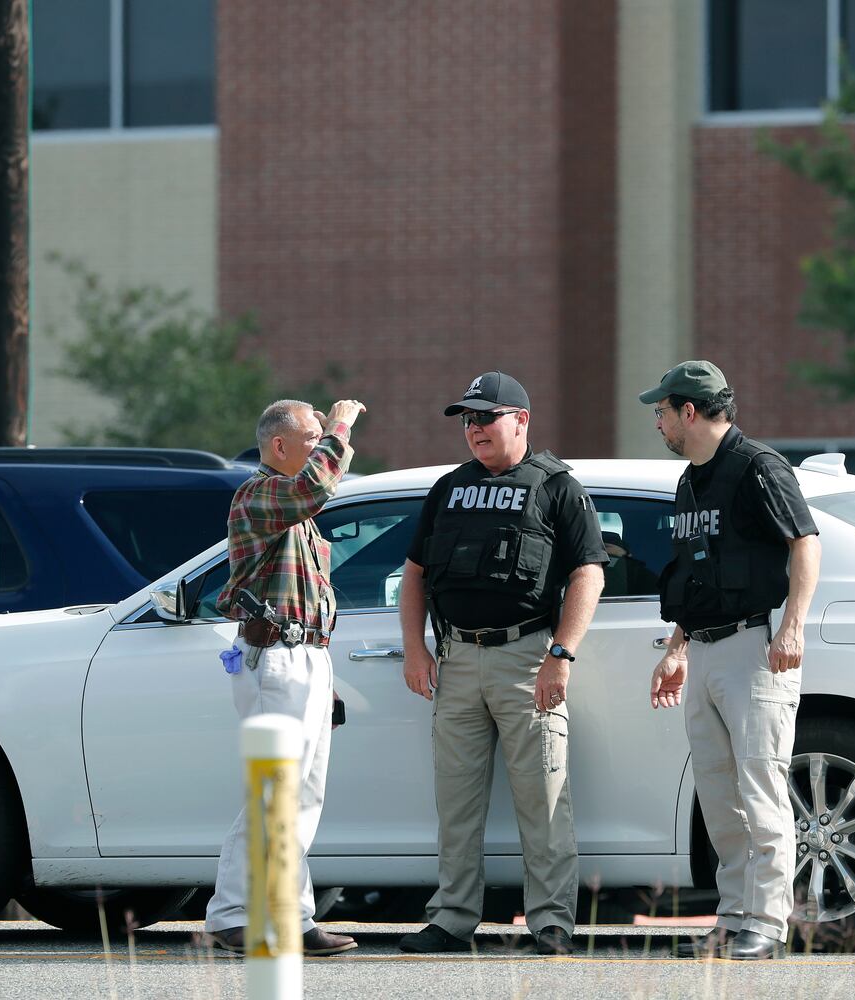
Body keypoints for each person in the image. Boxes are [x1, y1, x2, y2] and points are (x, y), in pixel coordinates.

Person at [397, 372, 606, 956]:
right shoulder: (448, 488)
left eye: (485, 418)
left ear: (522, 420)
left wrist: (561, 656)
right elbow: (413, 574)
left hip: (526, 658)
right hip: (456, 658)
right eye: (467, 420)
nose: (474, 429)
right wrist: (415, 648)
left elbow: (589, 571)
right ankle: (452, 918)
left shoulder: (557, 486)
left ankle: (551, 923)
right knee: (455, 804)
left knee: (543, 797)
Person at [640, 361, 821, 961]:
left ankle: (767, 924)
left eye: (662, 411)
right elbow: (698, 574)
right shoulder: (691, 481)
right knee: (719, 797)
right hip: (707, 649)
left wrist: (792, 626)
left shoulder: (758, 467)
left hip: (754, 646)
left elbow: (805, 542)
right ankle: (734, 915)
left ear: (689, 411)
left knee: (761, 787)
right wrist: (676, 646)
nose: (658, 422)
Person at [204, 397, 367, 957]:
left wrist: (328, 678)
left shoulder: (291, 508)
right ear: (280, 446)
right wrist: (342, 425)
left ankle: (291, 917)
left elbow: (310, 598)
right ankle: (232, 915)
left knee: (301, 795)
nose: (324, 443)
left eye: (325, 434)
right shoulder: (260, 492)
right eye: (313, 435)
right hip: (275, 657)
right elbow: (315, 487)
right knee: (278, 792)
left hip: (303, 657)